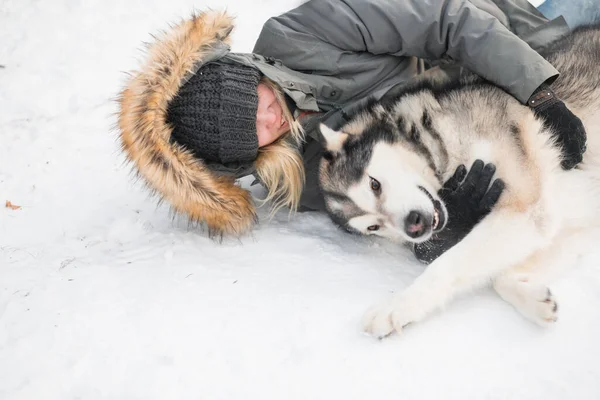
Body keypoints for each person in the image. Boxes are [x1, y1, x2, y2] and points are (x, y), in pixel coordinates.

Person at [117, 0, 587, 263]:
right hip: (480, 111)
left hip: (500, 38)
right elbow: (383, 200)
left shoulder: (303, 31)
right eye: (251, 135)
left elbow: (448, 21)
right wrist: (440, 232)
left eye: (253, 102)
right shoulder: (296, 175)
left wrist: (539, 89)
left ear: (249, 71)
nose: (267, 122)